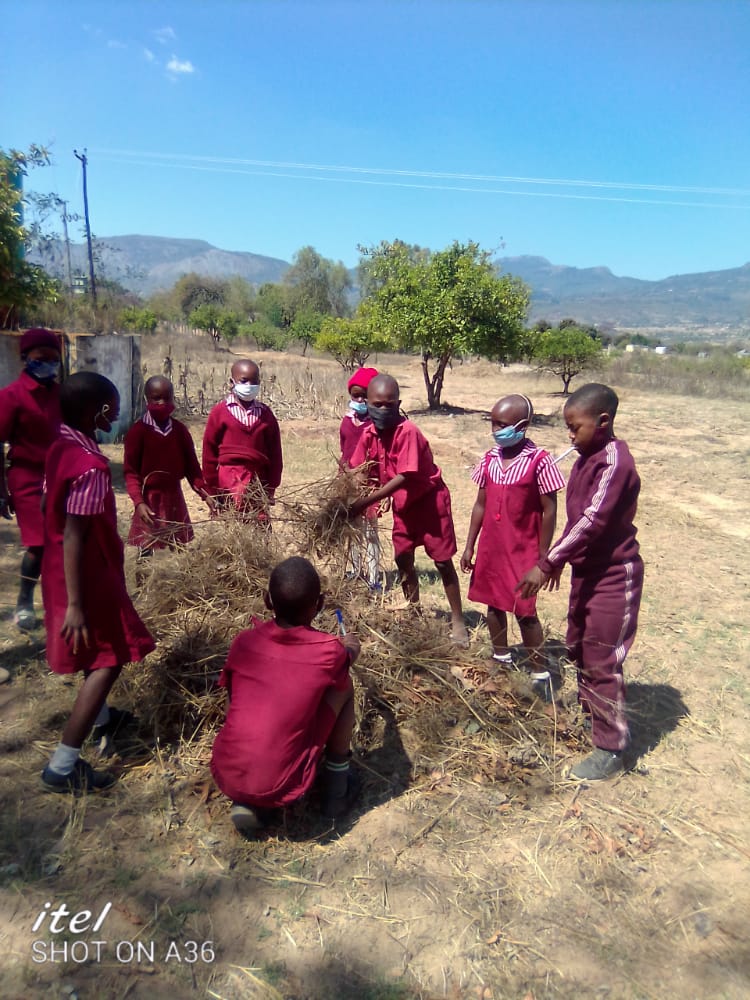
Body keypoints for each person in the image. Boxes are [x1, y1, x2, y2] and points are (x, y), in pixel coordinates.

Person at [517, 383, 643, 782]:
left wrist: (549, 560)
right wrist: (559, 562)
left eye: (575, 427)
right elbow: (575, 519)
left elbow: (592, 520)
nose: (569, 436)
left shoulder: (614, 463)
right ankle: (592, 716)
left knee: (603, 656)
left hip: (612, 575)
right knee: (579, 646)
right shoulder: (585, 458)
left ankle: (610, 750)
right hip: (585, 570)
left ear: (603, 421)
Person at [40, 372, 155, 793]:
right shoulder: (90, 468)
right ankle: (64, 763)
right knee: (110, 658)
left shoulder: (61, 447)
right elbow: (75, 533)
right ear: (99, 412)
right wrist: (76, 602)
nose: (119, 412)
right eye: (114, 405)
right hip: (87, 577)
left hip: (65, 571)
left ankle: (104, 718)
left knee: (95, 649)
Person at [210, 557, 361, 832]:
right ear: (320, 604)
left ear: (267, 600)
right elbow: (345, 658)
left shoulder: (244, 642)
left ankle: (249, 797)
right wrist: (350, 648)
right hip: (282, 781)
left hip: (228, 771)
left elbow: (233, 698)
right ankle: (336, 791)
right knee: (344, 685)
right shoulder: (329, 651)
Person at [348, 373, 468, 645]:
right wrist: (351, 491)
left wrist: (365, 502)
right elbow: (359, 468)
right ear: (366, 402)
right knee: (403, 558)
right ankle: (413, 609)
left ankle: (458, 619)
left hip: (429, 503)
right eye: (376, 404)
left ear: (398, 403)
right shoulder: (369, 433)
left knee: (441, 561)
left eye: (389, 404)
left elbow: (404, 476)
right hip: (404, 507)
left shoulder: (408, 432)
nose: (382, 410)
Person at [461, 394, 565, 691]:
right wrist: (470, 545)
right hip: (492, 548)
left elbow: (549, 510)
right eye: (493, 423)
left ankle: (540, 674)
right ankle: (501, 656)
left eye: (503, 424)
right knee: (494, 605)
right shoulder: (490, 458)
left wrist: (543, 556)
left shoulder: (539, 461)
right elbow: (480, 504)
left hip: (523, 550)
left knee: (525, 610)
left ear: (523, 425)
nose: (496, 430)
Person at [0, 328, 62, 630]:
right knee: (38, 544)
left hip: (60, 476)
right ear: (26, 358)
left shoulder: (61, 394)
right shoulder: (11, 397)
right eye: (41, 358)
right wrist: (1, 490)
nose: (48, 364)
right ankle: (24, 602)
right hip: (27, 479)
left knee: (61, 541)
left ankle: (56, 603)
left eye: (53, 359)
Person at [124, 375, 214, 556]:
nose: (162, 403)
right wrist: (138, 503)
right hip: (149, 500)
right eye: (156, 398)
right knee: (147, 550)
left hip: (174, 498)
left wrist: (205, 494)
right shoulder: (138, 432)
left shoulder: (180, 431)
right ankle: (145, 583)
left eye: (167, 398)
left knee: (177, 549)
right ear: (146, 399)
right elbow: (131, 472)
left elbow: (192, 468)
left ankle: (176, 582)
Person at [202, 359, 282, 521]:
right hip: (228, 482)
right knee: (231, 524)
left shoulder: (266, 414)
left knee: (259, 525)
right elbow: (209, 454)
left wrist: (271, 488)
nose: (249, 386)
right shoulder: (219, 413)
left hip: (257, 481)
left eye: (255, 382)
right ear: (232, 382)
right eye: (244, 381)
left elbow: (275, 454)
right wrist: (212, 489)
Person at [339, 366, 381, 589]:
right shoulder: (347, 420)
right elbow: (343, 449)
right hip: (347, 483)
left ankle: (374, 577)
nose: (360, 399)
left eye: (365, 395)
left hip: (369, 484)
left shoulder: (375, 425)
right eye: (356, 395)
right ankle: (356, 570)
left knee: (371, 531)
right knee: (352, 530)